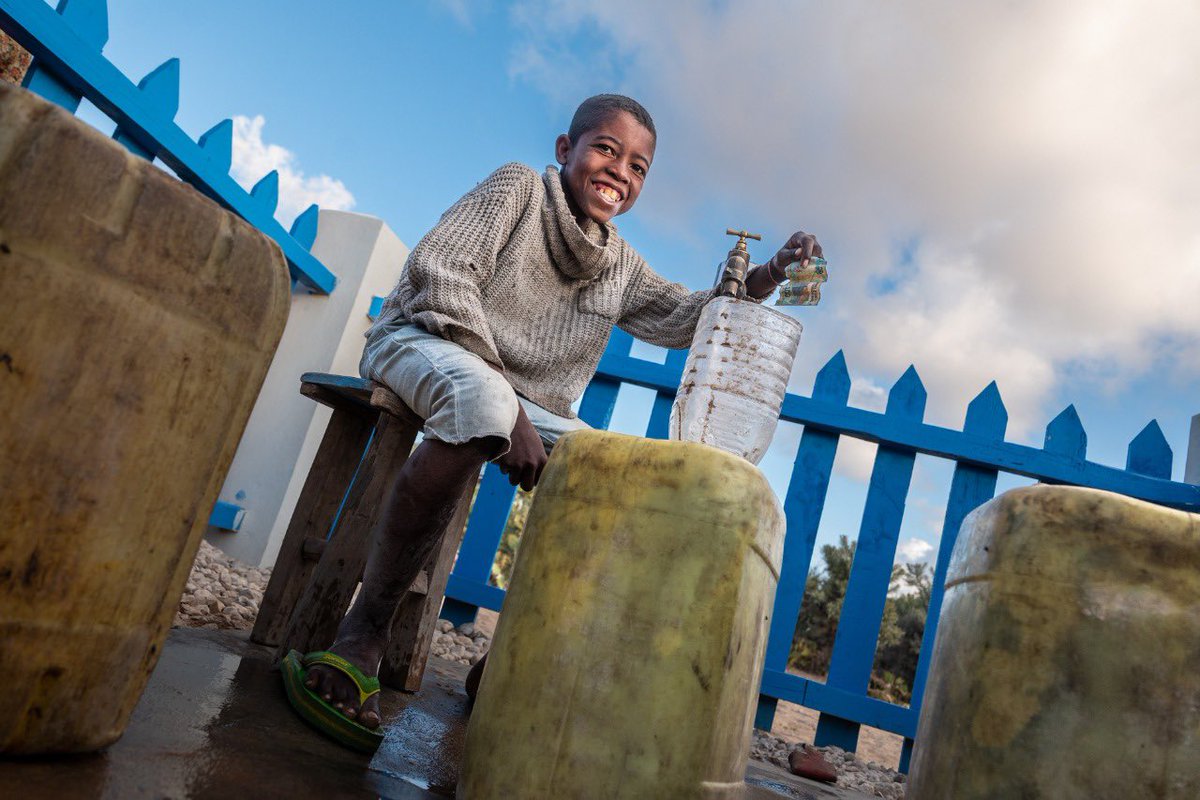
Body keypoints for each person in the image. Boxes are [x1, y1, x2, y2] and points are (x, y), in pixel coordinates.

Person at [283, 94, 824, 750]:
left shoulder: (619, 263)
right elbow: (441, 278)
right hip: (427, 339)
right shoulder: (518, 188)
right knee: (481, 405)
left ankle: (505, 665)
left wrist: (766, 273)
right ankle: (362, 637)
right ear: (567, 150)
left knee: (627, 474)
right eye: (605, 149)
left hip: (525, 401)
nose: (619, 170)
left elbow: (687, 316)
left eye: (638, 166)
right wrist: (507, 408)